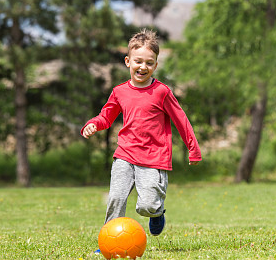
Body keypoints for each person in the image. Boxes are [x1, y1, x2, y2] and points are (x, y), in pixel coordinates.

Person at [81, 28, 202, 252]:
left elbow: (181, 120)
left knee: (146, 205)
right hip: (125, 154)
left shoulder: (162, 92)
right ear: (128, 61)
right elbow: (106, 117)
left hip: (154, 158)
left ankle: (157, 213)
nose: (142, 67)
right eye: (138, 61)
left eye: (149, 62)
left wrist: (193, 149)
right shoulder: (119, 92)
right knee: (116, 198)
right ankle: (107, 241)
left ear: (155, 65)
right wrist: (93, 124)